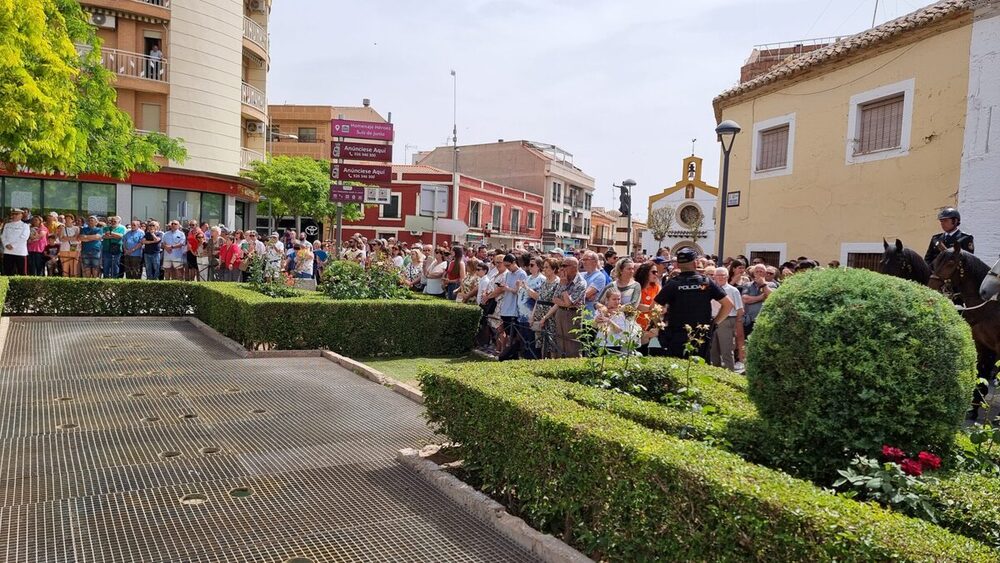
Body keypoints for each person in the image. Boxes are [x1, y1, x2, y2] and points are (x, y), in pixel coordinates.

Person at [654, 248, 733, 359]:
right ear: (695, 263)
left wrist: (661, 328)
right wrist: (714, 323)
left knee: (677, 369)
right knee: (700, 370)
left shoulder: (673, 284)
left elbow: (654, 308)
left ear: (678, 265)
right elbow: (728, 304)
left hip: (676, 335)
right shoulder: (705, 283)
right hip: (700, 335)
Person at [709, 267, 744, 371]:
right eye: (717, 275)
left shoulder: (733, 290)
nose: (720, 277)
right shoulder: (710, 289)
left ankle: (730, 375)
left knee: (726, 350)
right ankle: (716, 374)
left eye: (723, 275)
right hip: (712, 320)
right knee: (713, 351)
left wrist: (736, 326)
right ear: (714, 277)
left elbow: (740, 310)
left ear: (727, 277)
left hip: (727, 321)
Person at [551, 256, 587, 358]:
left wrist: (563, 287)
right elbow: (554, 299)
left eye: (565, 266)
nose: (562, 269)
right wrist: (564, 302)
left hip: (573, 314)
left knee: (572, 345)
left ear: (574, 267)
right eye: (561, 265)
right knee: (560, 343)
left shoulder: (581, 283)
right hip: (560, 313)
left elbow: (568, 302)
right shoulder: (563, 280)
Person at [530, 257, 561, 358]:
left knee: (551, 344)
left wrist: (546, 317)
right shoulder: (544, 282)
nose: (544, 270)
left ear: (554, 269)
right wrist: (532, 315)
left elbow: (557, 303)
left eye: (547, 267)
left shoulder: (558, 283)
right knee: (540, 343)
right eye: (544, 267)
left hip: (550, 316)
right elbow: (539, 299)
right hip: (539, 314)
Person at [1, 209, 30, 275]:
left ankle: (21, 286)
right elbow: (3, 236)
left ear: (21, 215)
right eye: (13, 214)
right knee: (7, 272)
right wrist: (6, 244)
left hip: (20, 252)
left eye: (16, 214)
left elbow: (24, 237)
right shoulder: (7, 225)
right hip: (8, 251)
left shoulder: (25, 226)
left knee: (22, 272)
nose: (14, 215)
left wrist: (13, 245)